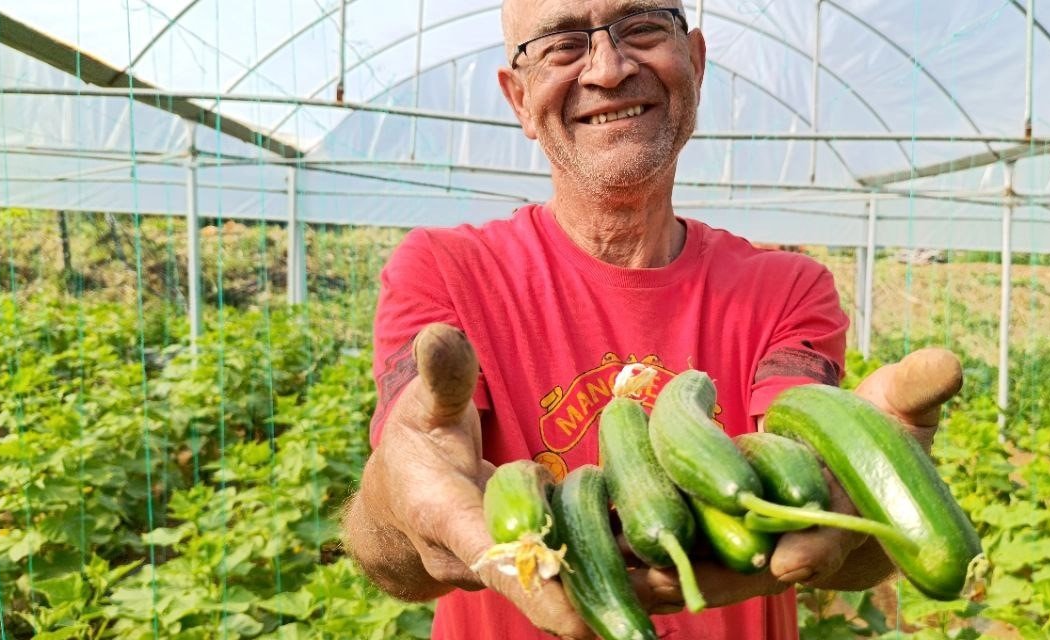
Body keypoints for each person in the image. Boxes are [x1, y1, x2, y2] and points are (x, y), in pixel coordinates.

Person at [342, 1, 964, 638]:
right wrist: (399, 501)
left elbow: (817, 519)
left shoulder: (786, 289)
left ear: (694, 61)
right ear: (519, 98)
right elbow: (398, 561)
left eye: (641, 27)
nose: (608, 70)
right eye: (561, 45)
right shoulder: (445, 271)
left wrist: (881, 475)